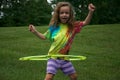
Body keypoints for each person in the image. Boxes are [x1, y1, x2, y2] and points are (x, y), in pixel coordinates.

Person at [29, 2, 95, 80]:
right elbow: (44, 37)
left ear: (70, 15)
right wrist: (35, 32)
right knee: (49, 78)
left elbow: (85, 23)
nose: (64, 15)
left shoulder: (73, 26)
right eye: (62, 13)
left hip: (65, 59)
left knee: (74, 77)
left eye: (67, 13)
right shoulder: (54, 27)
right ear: (58, 15)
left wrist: (90, 12)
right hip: (53, 57)